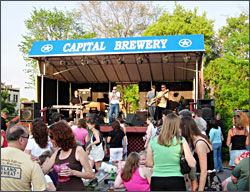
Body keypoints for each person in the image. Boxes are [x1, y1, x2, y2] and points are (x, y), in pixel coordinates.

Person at [147, 113, 196, 191]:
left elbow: (149, 163)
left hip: (157, 179)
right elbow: (192, 163)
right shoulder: (181, 140)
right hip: (176, 179)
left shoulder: (153, 141)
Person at [42, 120, 94, 191]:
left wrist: (73, 172)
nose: (49, 140)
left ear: (60, 136)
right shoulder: (57, 153)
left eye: (51, 137)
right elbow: (43, 171)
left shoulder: (78, 150)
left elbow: (90, 174)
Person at [1, 124, 47, 191]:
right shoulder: (31, 161)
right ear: (21, 140)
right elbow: (40, 189)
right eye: (27, 137)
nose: (28, 140)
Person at [180, 116, 214, 191]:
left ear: (185, 127)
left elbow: (204, 171)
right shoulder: (197, 140)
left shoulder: (199, 143)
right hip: (202, 180)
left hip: (206, 182)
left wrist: (200, 189)